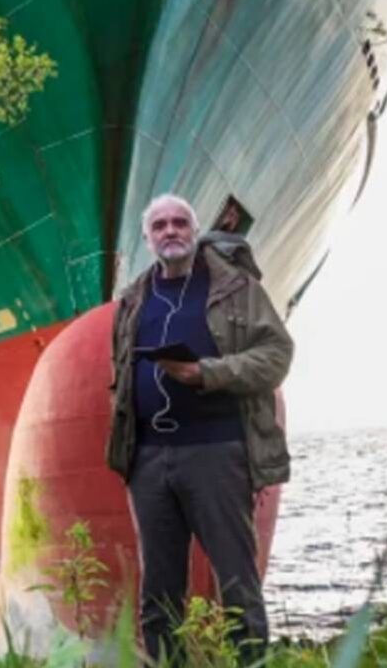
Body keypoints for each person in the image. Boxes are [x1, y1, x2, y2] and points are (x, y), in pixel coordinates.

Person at [105, 193, 294, 662]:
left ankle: (250, 662)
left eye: (180, 223)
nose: (170, 231)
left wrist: (207, 373)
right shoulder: (133, 298)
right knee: (158, 590)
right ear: (146, 238)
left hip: (217, 453)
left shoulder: (236, 288)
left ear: (195, 230)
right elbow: (120, 373)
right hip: (149, 460)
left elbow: (277, 354)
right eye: (160, 226)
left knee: (237, 581)